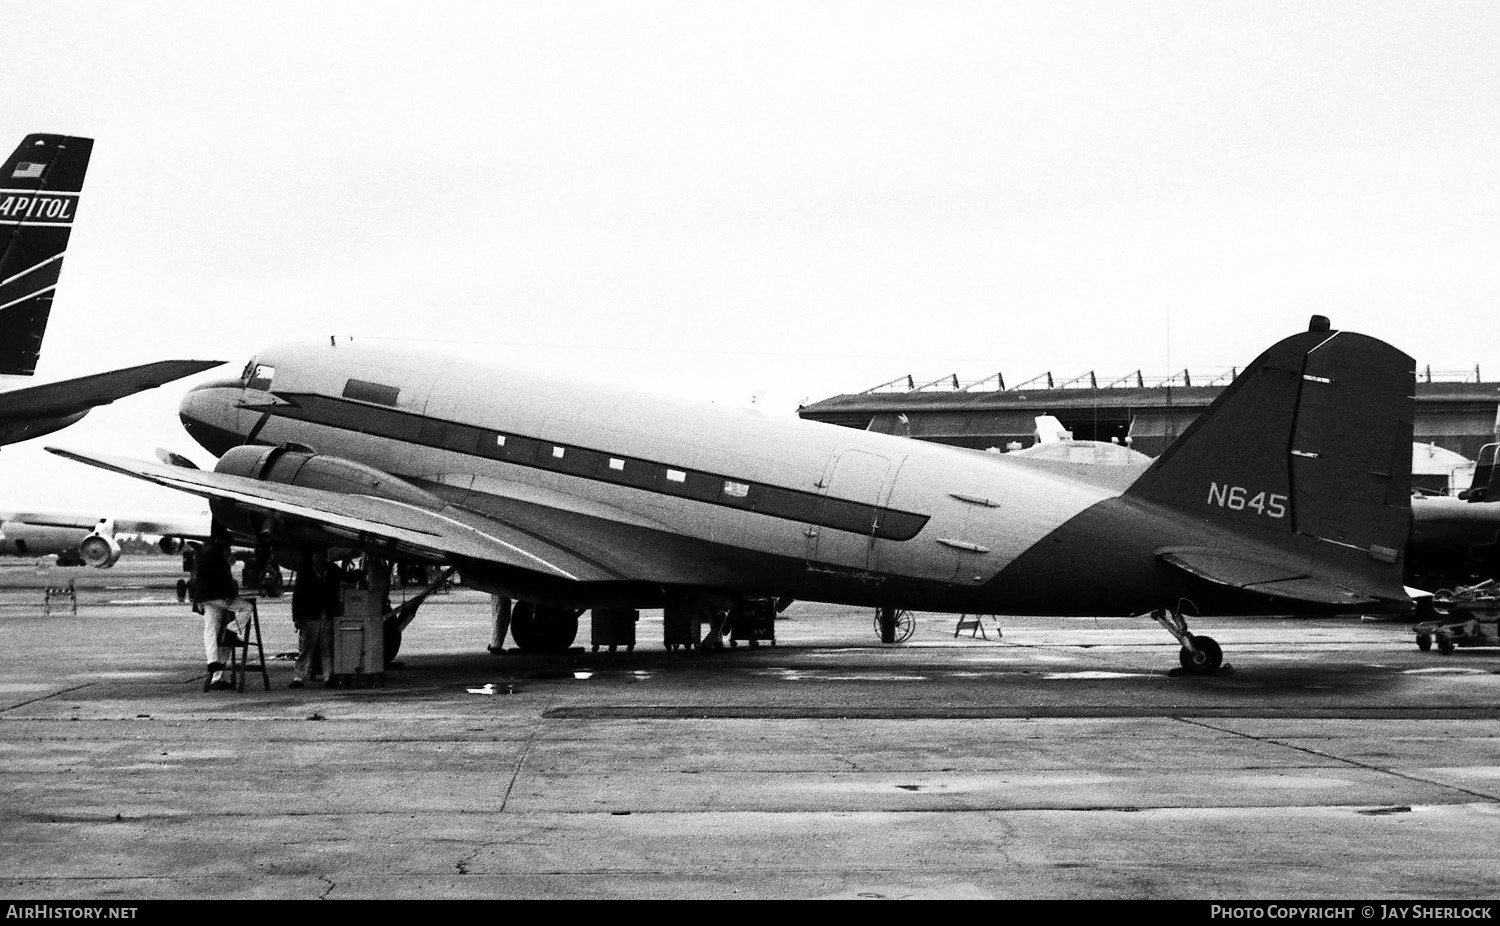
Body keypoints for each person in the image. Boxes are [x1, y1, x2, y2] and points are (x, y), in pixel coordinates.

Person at [191, 540, 247, 690]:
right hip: (219, 597)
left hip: (205, 598)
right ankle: (232, 631)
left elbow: (198, 577)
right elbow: (223, 576)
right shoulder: (218, 554)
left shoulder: (203, 552)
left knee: (211, 630)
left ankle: (213, 667)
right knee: (246, 608)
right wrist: (229, 592)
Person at [290, 549, 342, 688]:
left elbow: (345, 576)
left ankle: (328, 676)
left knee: (327, 648)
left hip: (326, 615)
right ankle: (299, 677)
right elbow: (298, 595)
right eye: (316, 554)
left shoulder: (332, 569)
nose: (319, 557)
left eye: (321, 554)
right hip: (311, 615)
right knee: (307, 647)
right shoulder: (305, 572)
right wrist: (297, 617)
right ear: (312, 555)